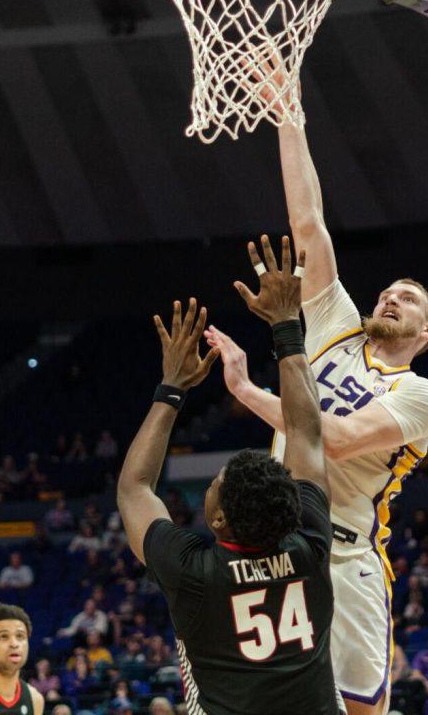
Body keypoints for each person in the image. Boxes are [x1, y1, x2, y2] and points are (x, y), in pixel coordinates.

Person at [214, 81, 428, 715]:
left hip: (346, 553)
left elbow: (334, 441)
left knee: (362, 711)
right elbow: (308, 224)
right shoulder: (336, 323)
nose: (389, 298)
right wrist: (289, 111)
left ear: (427, 332)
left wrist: (246, 391)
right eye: (388, 292)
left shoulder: (423, 394)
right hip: (276, 542)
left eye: (408, 298)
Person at [118, 240, 340, 714]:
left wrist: (171, 388)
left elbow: (134, 488)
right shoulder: (311, 543)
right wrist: (285, 326)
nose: (212, 488)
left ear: (218, 522)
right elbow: (305, 429)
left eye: (214, 486)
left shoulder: (192, 570)